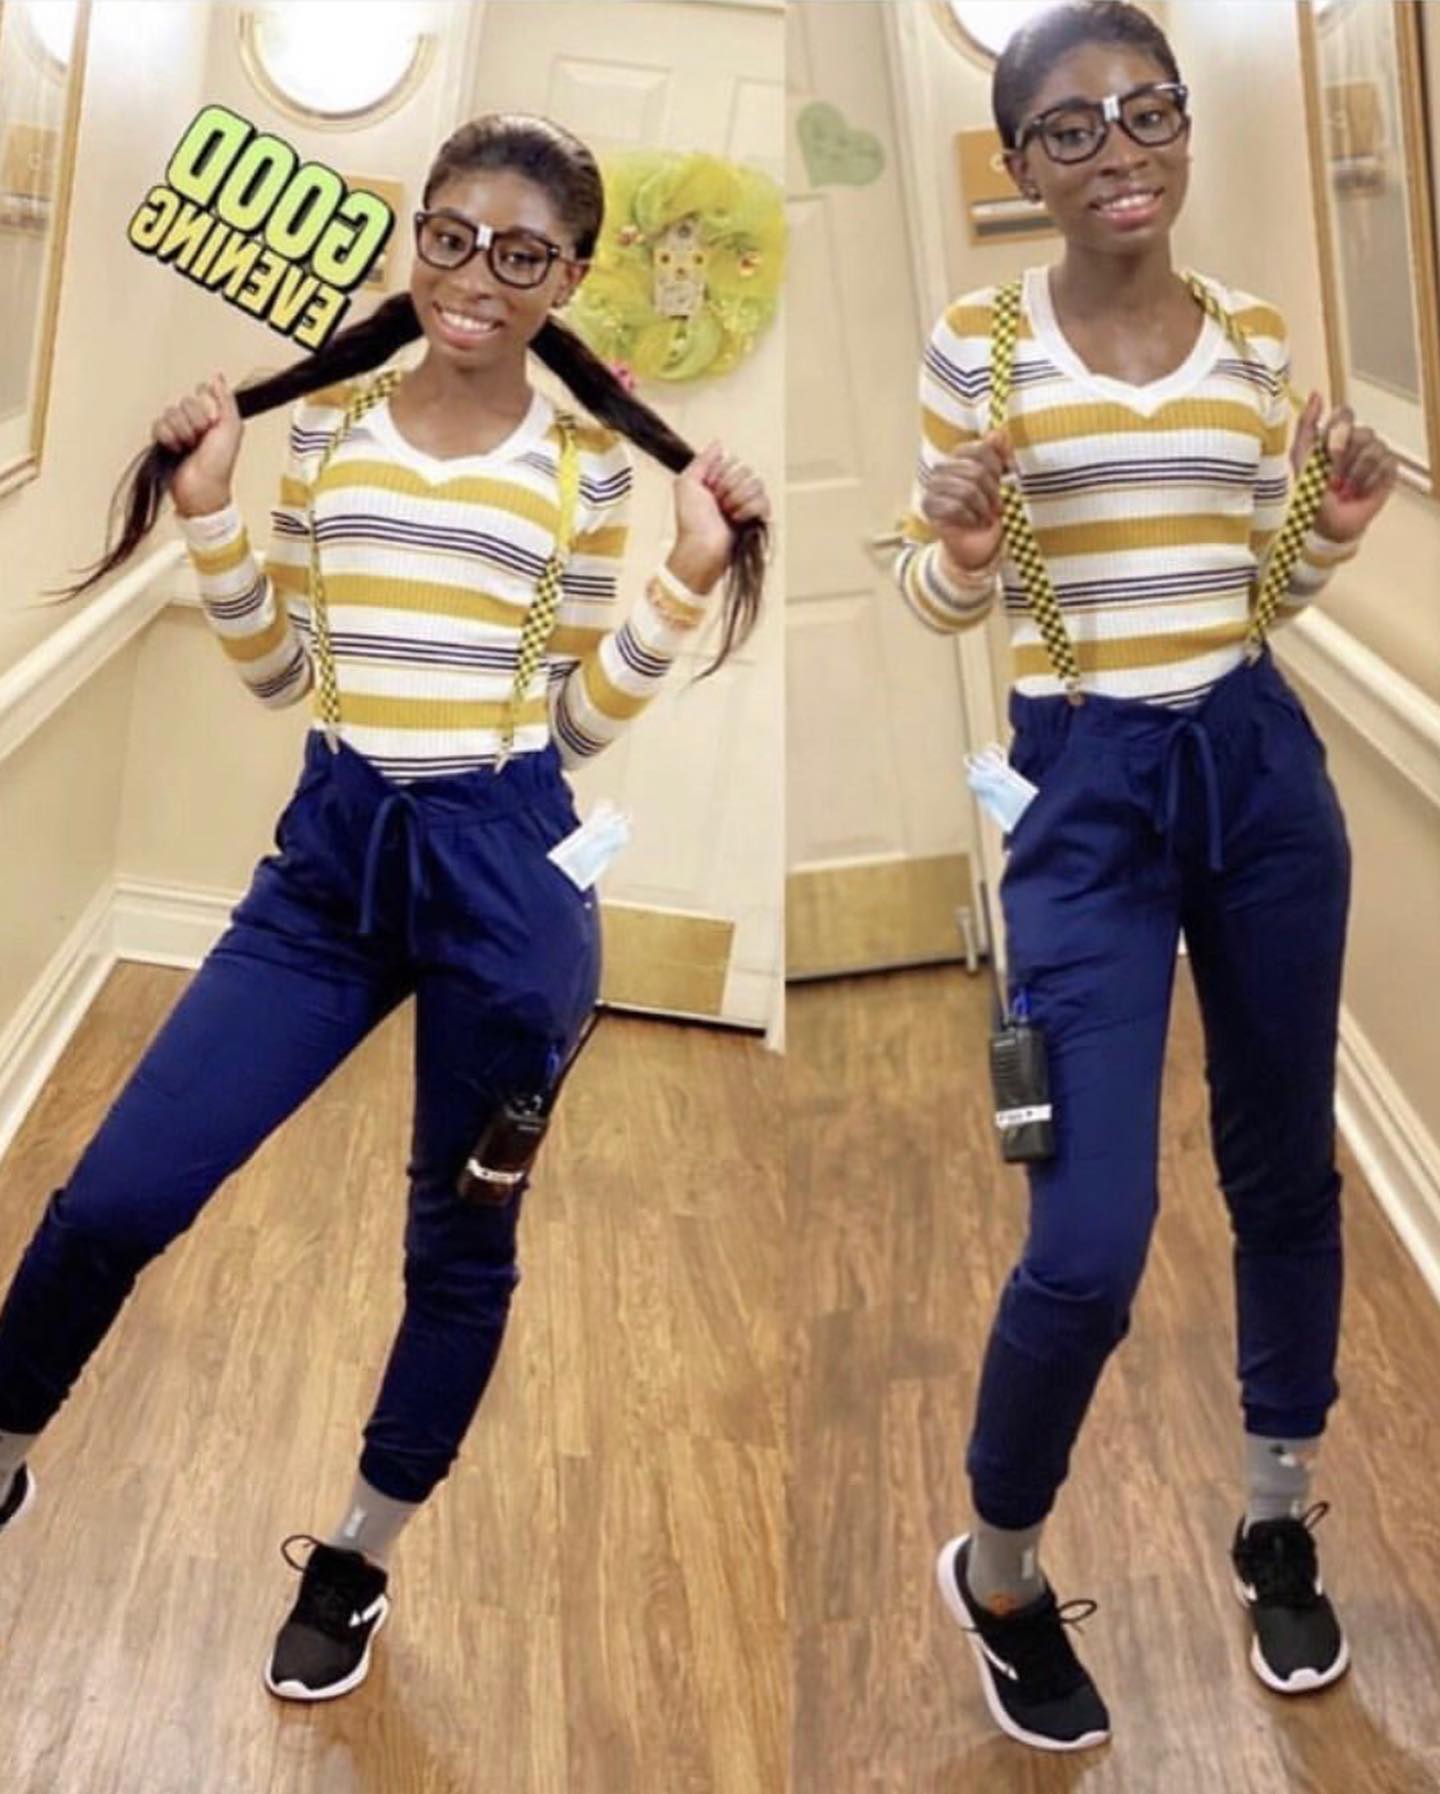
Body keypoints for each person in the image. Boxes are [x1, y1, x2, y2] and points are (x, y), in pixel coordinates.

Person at [0, 113, 769, 1704]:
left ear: (569, 278)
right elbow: (282, 671)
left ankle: (357, 1552)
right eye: (451, 236)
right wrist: (210, 510)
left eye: (523, 253)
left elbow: (576, 725)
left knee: (460, 1245)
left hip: (506, 873)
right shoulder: (332, 432)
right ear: (416, 235)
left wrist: (687, 573)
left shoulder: (584, 469)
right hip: (331, 862)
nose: (477, 277)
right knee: (120, 1193)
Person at [894, 1, 1398, 1754]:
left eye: (1148, 112)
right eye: (1073, 127)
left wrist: (1332, 529)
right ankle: (1000, 1568)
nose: (1121, 151)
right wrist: (963, 550)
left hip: (1257, 767)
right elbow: (941, 595)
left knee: (1285, 1167)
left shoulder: (1252, 336)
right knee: (1089, 1238)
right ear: (1020, 163)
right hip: (1085, 790)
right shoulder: (977, 346)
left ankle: (1276, 1513)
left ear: (1185, 125)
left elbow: (1256, 588)